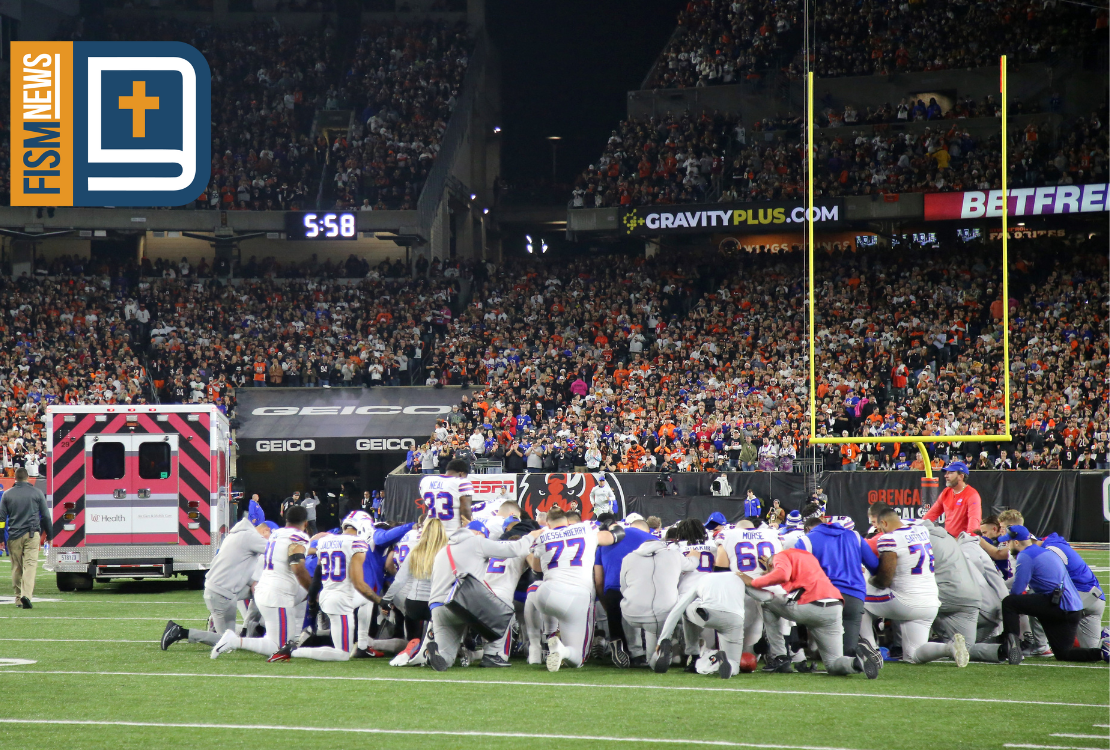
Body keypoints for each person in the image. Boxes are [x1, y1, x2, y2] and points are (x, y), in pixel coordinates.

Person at [740, 547, 882, 678]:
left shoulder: (782, 555)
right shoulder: (807, 557)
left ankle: (780, 657)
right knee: (833, 664)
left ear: (771, 565)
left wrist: (754, 582)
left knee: (768, 603)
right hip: (834, 607)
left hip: (810, 604)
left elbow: (782, 574)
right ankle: (857, 662)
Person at [424, 520, 540, 671]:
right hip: (463, 604)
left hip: (438, 607)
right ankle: (492, 654)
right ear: (478, 533)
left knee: (446, 658)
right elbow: (513, 549)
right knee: (503, 606)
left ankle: (434, 655)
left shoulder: (443, 550)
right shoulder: (476, 542)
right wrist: (531, 536)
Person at [270, 514, 384, 662]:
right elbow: (359, 583)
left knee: (366, 600)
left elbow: (317, 575)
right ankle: (294, 651)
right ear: (363, 527)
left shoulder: (325, 540)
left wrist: (312, 599)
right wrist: (381, 601)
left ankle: (362, 646)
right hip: (340, 601)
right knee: (342, 654)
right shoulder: (356, 543)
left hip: (328, 595)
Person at [161, 500, 271, 649]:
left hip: (221, 591)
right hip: (221, 593)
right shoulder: (249, 537)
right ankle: (181, 632)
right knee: (228, 642)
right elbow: (275, 550)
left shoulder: (236, 535)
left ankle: (247, 630)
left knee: (259, 590)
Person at [211, 506, 312, 658]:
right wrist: (313, 589)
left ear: (286, 520)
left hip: (264, 589)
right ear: (305, 523)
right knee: (279, 647)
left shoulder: (276, 534)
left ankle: (237, 640)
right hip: (277, 594)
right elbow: (297, 567)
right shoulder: (298, 537)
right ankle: (234, 641)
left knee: (285, 641)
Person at [529, 506, 622, 672]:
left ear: (549, 524)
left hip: (547, 593)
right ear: (568, 521)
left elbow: (536, 569)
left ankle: (539, 643)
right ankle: (563, 650)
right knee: (577, 659)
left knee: (534, 587)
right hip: (577, 597)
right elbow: (614, 537)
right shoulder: (586, 529)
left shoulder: (543, 535)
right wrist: (613, 526)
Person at [998, 525, 1108, 664]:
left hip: (1058, 604)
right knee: (1064, 653)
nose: (1006, 546)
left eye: (1007, 542)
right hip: (1072, 608)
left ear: (1016, 542)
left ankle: (1012, 645)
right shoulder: (1044, 551)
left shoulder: (1025, 555)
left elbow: (1017, 591)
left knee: (1010, 603)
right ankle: (1103, 653)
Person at [859, 507, 950, 665]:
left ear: (884, 523)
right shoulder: (921, 530)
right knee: (913, 655)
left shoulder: (889, 539)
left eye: (880, 528)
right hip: (931, 602)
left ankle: (871, 650)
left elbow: (884, 580)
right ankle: (949, 649)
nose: (880, 532)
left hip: (905, 601)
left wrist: (870, 578)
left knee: (858, 598)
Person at [796, 508, 879, 653]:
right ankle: (855, 654)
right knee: (848, 650)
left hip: (824, 596)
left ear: (808, 528)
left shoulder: (806, 540)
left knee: (827, 651)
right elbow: (874, 565)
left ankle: (815, 651)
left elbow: (800, 574)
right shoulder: (855, 536)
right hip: (854, 594)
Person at [920, 519, 1000, 663]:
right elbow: (995, 578)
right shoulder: (951, 542)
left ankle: (899, 646)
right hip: (975, 600)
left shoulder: (920, 541)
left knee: (913, 603)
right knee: (965, 649)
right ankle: (1002, 650)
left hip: (950, 598)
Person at [656, 570, 748, 678]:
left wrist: (663, 639)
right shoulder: (740, 577)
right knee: (734, 662)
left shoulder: (702, 579)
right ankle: (724, 662)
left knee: (686, 609)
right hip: (734, 620)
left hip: (708, 615)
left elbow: (677, 610)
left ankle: (694, 654)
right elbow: (764, 597)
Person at [593, 514, 655, 667]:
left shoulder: (605, 541)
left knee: (615, 619)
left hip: (612, 587)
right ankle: (640, 654)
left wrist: (604, 600)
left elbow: (598, 579)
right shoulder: (651, 539)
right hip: (639, 586)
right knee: (642, 621)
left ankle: (618, 643)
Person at [619, 530, 684, 672]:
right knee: (668, 615)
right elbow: (692, 564)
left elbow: (623, 587)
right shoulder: (673, 555)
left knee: (628, 605)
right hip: (662, 614)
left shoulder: (628, 558)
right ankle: (672, 650)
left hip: (632, 615)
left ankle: (636, 652)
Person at [715, 519, 782, 651]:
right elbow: (785, 564)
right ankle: (782, 655)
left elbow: (720, 571)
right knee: (778, 629)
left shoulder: (727, 535)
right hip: (773, 587)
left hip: (742, 590)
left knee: (739, 637)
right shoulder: (773, 535)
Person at [481, 519, 539, 667]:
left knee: (485, 636)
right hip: (501, 599)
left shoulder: (491, 545)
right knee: (499, 655)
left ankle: (468, 650)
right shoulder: (521, 548)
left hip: (479, 596)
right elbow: (536, 566)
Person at [0, 468, 49, 608]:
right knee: (30, 566)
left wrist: (1, 537)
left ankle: (17, 598)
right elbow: (45, 516)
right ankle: (26, 595)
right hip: (32, 534)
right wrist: (49, 535)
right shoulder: (37, 493)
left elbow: (1, 518)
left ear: (14, 478)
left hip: (14, 535)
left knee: (16, 567)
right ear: (27, 477)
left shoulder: (7, 495)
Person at [924, 460, 982, 537]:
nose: (946, 476)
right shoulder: (946, 492)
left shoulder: (972, 495)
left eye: (950, 473)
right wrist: (919, 526)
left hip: (963, 541)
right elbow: (931, 514)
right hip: (949, 539)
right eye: (946, 473)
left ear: (961, 476)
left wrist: (968, 540)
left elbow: (974, 520)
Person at [418, 459, 473, 532]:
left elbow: (427, 506)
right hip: (452, 531)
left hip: (430, 531)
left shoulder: (426, 480)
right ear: (461, 474)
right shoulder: (462, 482)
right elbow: (465, 510)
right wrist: (470, 527)